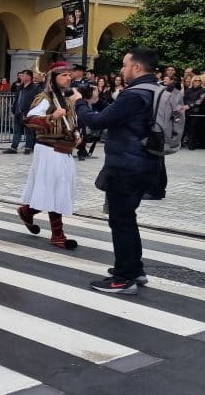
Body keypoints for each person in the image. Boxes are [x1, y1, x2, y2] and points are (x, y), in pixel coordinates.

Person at [75, 48, 168, 294]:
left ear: (137, 67)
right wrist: (98, 102)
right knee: (128, 218)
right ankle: (134, 269)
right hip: (148, 163)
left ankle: (123, 278)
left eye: (125, 65)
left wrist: (80, 103)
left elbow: (95, 122)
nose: (122, 70)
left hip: (127, 166)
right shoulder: (155, 90)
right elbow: (122, 117)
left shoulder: (134, 94)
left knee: (121, 221)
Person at [16, 62, 80, 250]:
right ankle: (57, 234)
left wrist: (76, 134)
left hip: (64, 148)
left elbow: (71, 122)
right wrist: (51, 117)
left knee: (59, 188)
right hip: (48, 149)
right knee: (54, 189)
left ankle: (27, 211)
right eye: (64, 75)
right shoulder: (45, 98)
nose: (69, 78)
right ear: (54, 77)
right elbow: (29, 120)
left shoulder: (67, 99)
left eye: (69, 75)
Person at [6, 69, 39, 154]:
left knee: (29, 132)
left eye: (23, 75)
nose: (21, 77)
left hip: (29, 113)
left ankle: (28, 148)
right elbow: (17, 99)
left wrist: (30, 112)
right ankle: (14, 148)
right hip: (18, 112)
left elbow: (37, 101)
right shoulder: (20, 87)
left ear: (29, 77)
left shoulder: (35, 88)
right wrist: (14, 109)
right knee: (17, 131)